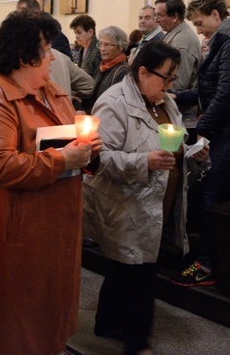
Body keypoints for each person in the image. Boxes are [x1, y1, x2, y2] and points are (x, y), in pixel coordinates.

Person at [0, 10, 100, 353]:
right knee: (12, 321)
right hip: (14, 225)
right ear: (24, 56)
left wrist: (89, 151)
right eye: (47, 48)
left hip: (53, 222)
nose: (53, 56)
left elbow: (69, 144)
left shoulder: (52, 91)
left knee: (48, 312)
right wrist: (63, 159)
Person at [83, 41, 209, 355]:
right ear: (142, 72)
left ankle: (106, 321)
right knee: (140, 273)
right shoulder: (113, 103)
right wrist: (145, 162)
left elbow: (175, 143)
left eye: (173, 79)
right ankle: (138, 343)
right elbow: (97, 161)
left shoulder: (166, 102)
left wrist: (195, 153)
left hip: (159, 200)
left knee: (127, 266)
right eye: (165, 78)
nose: (169, 86)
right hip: (126, 203)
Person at [173, 0, 230, 287]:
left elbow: (226, 95)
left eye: (200, 23)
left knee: (212, 196)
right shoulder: (226, 41)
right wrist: (177, 96)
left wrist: (203, 131)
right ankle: (219, 260)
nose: (198, 30)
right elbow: (209, 90)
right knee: (221, 197)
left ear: (216, 14)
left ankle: (207, 265)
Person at [156, 0, 202, 116]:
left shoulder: (182, 42)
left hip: (180, 111)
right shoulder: (173, 34)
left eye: (160, 16)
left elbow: (178, 84)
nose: (156, 20)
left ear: (175, 16)